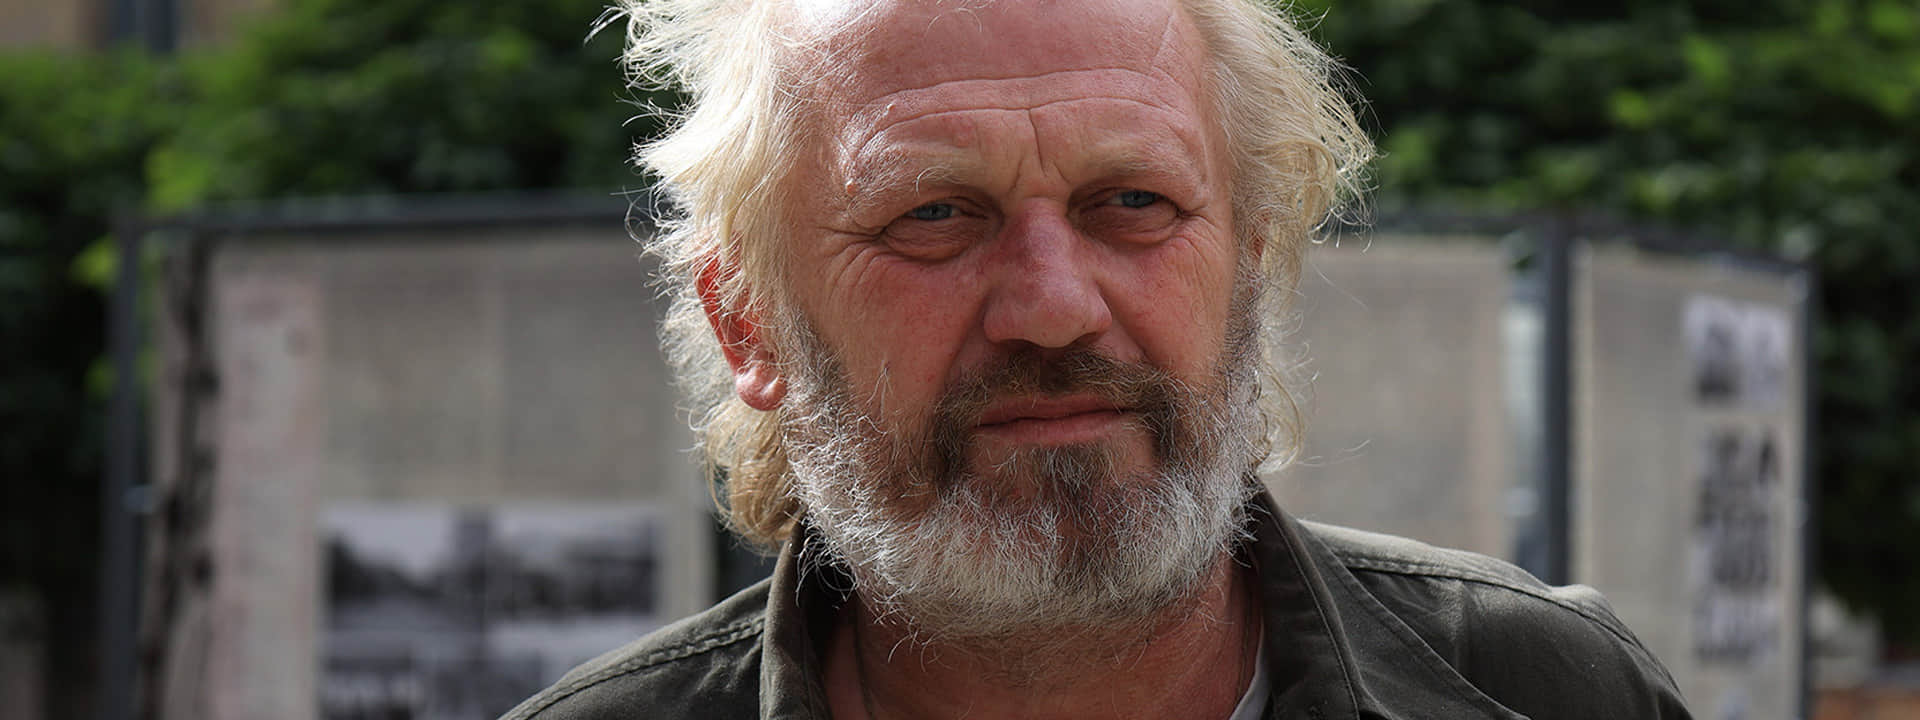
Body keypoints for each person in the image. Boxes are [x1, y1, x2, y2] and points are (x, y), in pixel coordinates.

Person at [505, 0, 1693, 717]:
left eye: (1132, 202)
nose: (1054, 308)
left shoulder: (1548, 691)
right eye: (934, 215)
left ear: (1251, 263)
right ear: (748, 323)